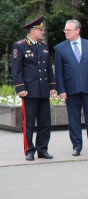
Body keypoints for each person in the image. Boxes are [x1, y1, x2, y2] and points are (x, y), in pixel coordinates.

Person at [55, 19, 88, 156]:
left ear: (78, 30)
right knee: (74, 119)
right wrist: (62, 90)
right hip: (71, 89)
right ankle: (77, 146)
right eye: (65, 30)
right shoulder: (60, 48)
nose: (66, 32)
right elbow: (58, 72)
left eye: (69, 30)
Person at [11, 15, 56, 161]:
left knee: (45, 122)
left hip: (43, 90)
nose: (42, 32)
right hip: (29, 91)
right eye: (40, 30)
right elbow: (16, 70)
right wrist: (20, 88)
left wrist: (52, 86)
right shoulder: (20, 46)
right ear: (32, 31)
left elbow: (48, 68)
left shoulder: (43, 46)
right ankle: (29, 150)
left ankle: (42, 149)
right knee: (29, 122)